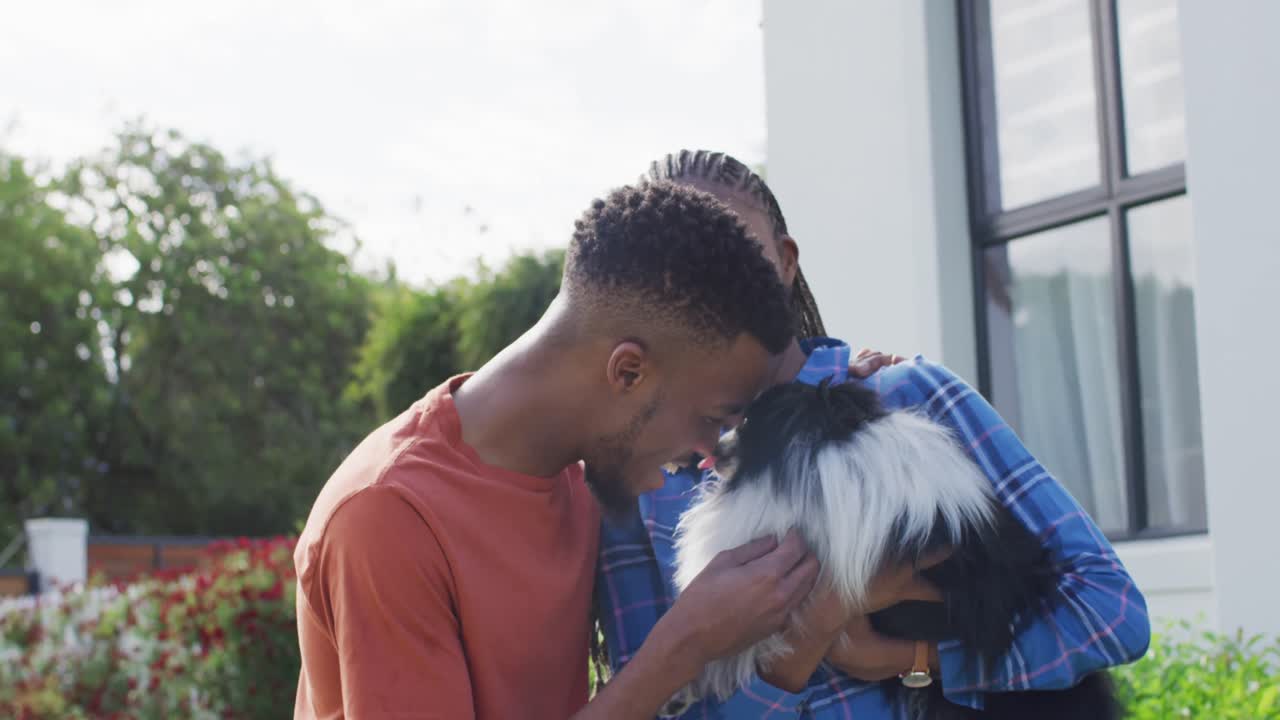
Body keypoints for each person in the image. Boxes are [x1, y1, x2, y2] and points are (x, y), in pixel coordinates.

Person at [595, 150, 1151, 717]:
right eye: (679, 273)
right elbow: (657, 704)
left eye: (735, 250)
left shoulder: (913, 399)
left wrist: (913, 658)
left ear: (785, 262)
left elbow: (1110, 611)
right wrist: (807, 638)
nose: (712, 286)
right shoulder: (641, 488)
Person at [293, 181, 827, 720]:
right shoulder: (388, 517)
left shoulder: (581, 476)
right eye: (711, 419)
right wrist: (684, 645)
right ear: (628, 371)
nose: (712, 454)